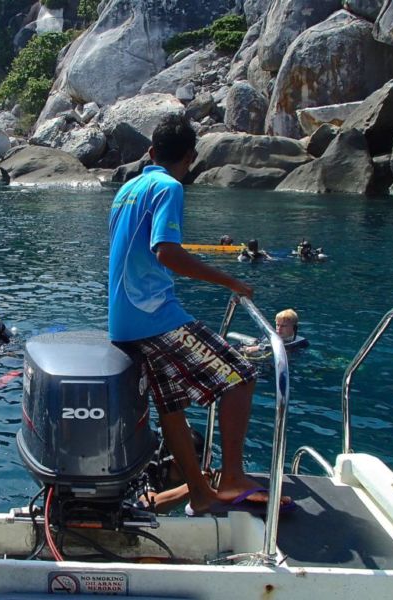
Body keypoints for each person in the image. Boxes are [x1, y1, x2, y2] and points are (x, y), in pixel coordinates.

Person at [108, 111, 288, 515]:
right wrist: (230, 281)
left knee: (170, 405)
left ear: (151, 151)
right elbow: (166, 252)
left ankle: (201, 491)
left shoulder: (126, 190)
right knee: (242, 375)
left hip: (121, 320)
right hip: (152, 315)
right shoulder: (169, 187)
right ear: (190, 157)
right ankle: (233, 476)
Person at [240, 308, 307, 356]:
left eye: (283, 326)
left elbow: (286, 347)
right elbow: (257, 342)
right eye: (277, 325)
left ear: (294, 327)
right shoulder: (269, 336)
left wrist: (259, 348)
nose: (279, 329)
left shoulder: (301, 342)